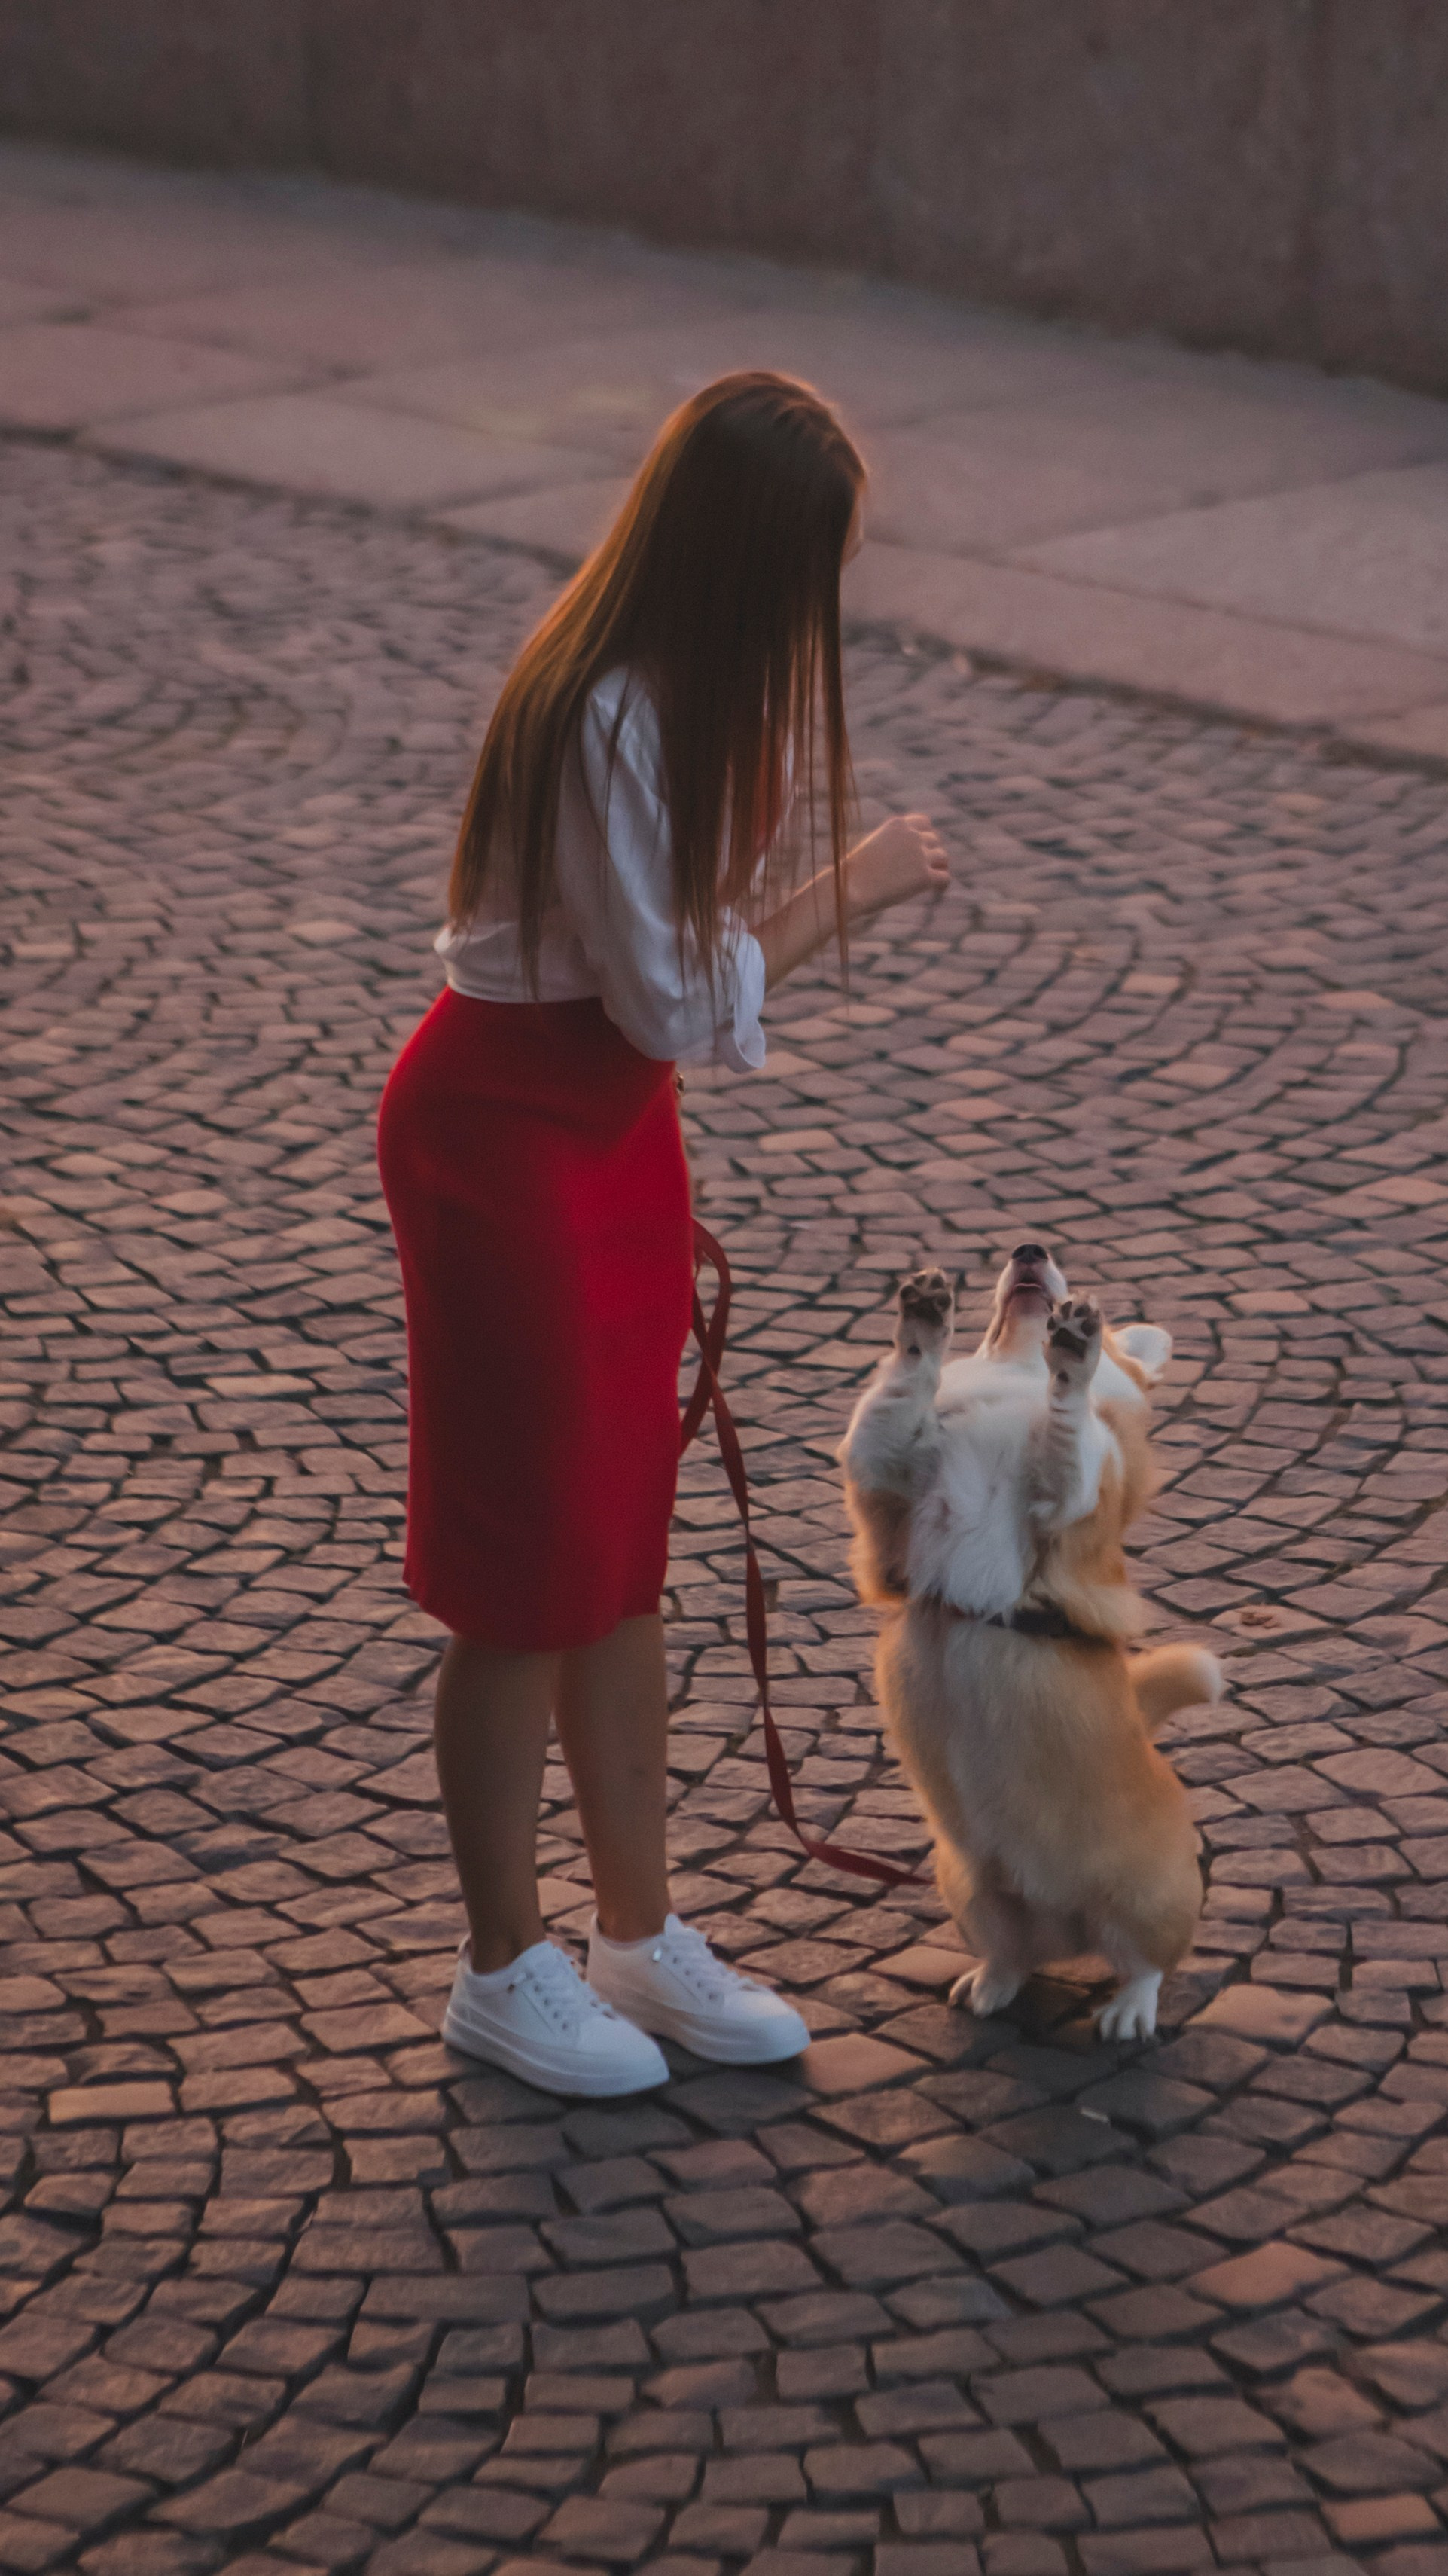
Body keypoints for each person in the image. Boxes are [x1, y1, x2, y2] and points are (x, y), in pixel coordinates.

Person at [376, 371, 950, 2098]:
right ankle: (503, 1966)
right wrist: (852, 888)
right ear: (745, 561)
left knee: (618, 1555)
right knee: (520, 1576)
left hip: (608, 1130)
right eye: (811, 572)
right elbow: (673, 995)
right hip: (505, 1139)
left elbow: (665, 1003)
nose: (821, 610)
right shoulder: (622, 709)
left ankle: (637, 1932)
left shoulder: (684, 691)